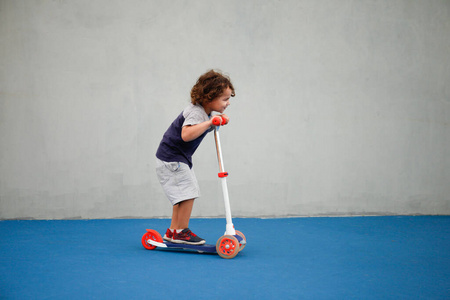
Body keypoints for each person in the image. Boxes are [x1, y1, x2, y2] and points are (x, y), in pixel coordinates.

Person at [155, 70, 235, 245]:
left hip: (173, 157)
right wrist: (209, 123)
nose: (228, 103)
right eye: (225, 99)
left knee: (181, 195)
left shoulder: (203, 112)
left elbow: (205, 125)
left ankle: (173, 231)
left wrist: (217, 120)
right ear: (209, 97)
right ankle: (181, 232)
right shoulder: (196, 113)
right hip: (172, 158)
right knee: (188, 192)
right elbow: (186, 134)